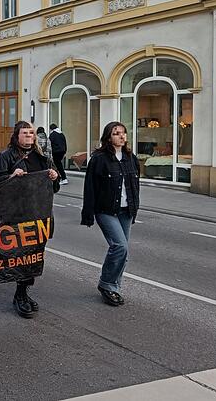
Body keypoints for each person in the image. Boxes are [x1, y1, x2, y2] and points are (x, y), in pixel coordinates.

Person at [0, 121, 59, 319]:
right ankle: (20, 295)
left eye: (32, 133)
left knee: (34, 254)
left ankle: (23, 291)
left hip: (38, 213)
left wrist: (54, 177)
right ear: (17, 136)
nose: (29, 136)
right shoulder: (7, 155)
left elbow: (54, 188)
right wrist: (11, 175)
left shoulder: (42, 158)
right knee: (21, 254)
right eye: (25, 133)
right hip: (17, 214)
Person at [81, 122, 140, 307]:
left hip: (125, 211)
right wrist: (88, 214)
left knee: (123, 252)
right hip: (106, 210)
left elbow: (135, 186)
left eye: (123, 133)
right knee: (119, 247)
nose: (122, 136)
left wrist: (134, 209)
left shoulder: (131, 157)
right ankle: (106, 285)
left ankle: (114, 287)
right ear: (108, 137)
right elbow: (90, 187)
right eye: (116, 133)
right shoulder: (99, 159)